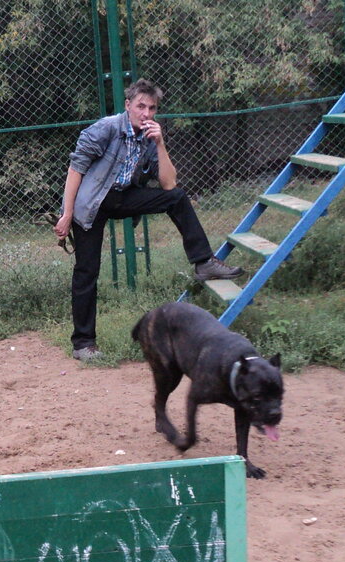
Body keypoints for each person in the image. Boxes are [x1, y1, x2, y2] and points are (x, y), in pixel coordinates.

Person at [54, 79, 243, 361]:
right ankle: (84, 343)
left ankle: (203, 262)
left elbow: (168, 184)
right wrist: (66, 213)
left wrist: (161, 143)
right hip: (91, 204)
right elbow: (76, 168)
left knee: (177, 197)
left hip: (122, 197)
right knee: (87, 272)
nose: (146, 113)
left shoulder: (149, 137)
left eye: (151, 108)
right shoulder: (106, 128)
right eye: (140, 106)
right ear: (128, 106)